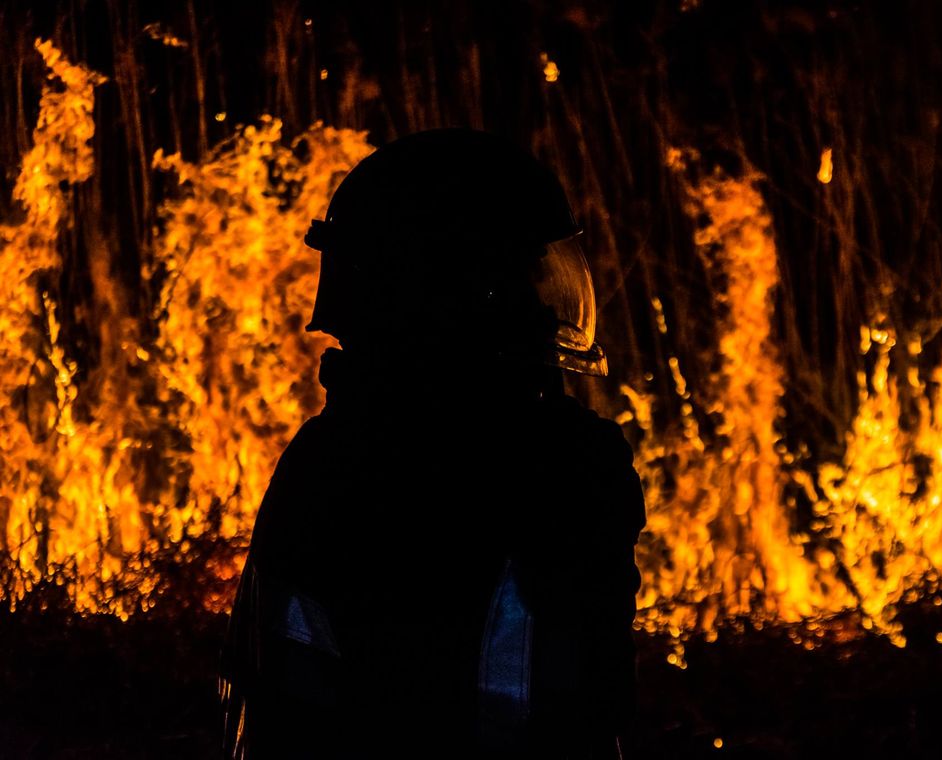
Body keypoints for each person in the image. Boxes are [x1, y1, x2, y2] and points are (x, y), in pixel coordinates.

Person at [219, 128, 646, 758]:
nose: (540, 309)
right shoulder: (556, 465)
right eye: (517, 281)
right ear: (455, 294)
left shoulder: (326, 459)